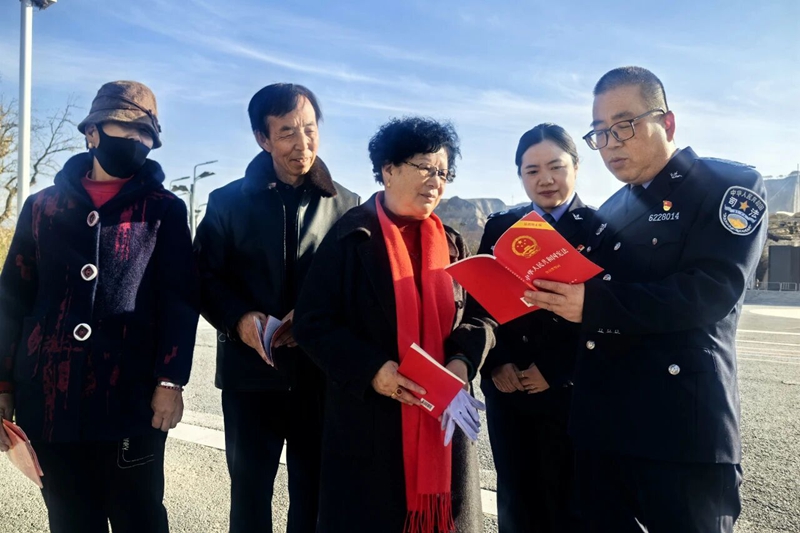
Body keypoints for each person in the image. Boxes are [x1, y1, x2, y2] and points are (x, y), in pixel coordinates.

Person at [523, 66, 768, 533]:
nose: (610, 143)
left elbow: (710, 290)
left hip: (679, 432)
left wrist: (592, 304)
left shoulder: (726, 186)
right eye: (599, 133)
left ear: (667, 123)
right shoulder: (613, 208)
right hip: (603, 432)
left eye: (624, 126)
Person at [0, 80, 199, 533]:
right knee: (70, 520)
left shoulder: (164, 210)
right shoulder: (41, 207)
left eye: (145, 133)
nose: (136, 140)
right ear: (92, 132)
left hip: (130, 399)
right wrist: (3, 384)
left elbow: (180, 300)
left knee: (141, 517)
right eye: (126, 128)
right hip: (48, 400)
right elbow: (12, 298)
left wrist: (171, 380)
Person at [293, 117, 495, 532]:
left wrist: (462, 361)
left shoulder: (452, 242)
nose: (435, 182)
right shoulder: (350, 237)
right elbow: (313, 322)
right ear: (388, 169)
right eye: (425, 168)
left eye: (443, 173)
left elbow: (481, 316)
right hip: (371, 425)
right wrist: (372, 370)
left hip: (444, 427)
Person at [194, 83, 360, 533]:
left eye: (309, 129)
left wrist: (312, 318)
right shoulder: (227, 202)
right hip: (250, 378)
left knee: (314, 498)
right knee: (249, 499)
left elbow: (354, 287)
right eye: (287, 132)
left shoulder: (347, 205)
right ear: (262, 139)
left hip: (319, 377)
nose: (302, 143)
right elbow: (204, 278)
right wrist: (240, 319)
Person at [479, 123, 594, 533]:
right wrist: (495, 363)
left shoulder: (600, 228)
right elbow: (480, 302)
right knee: (515, 499)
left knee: (571, 502)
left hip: (570, 393)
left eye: (556, 167)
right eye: (532, 170)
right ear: (520, 175)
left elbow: (608, 316)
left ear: (576, 167)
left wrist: (556, 371)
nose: (545, 179)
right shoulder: (501, 227)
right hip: (509, 391)